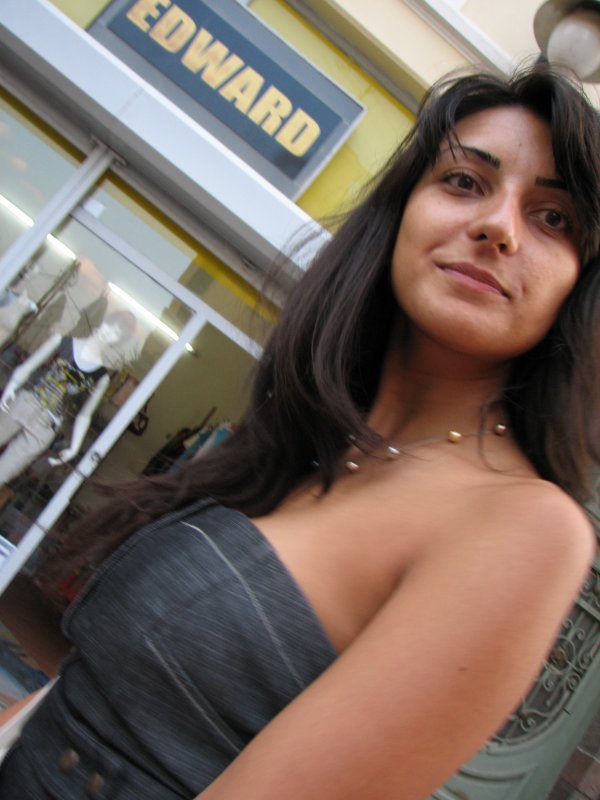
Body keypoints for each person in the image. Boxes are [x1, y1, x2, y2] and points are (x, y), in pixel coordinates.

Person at [0, 64, 599, 800]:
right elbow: (82, 690)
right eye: (464, 181)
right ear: (401, 212)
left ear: (581, 284)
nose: (498, 226)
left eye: (554, 218)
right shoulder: (309, 441)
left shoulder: (524, 528)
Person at [0, 309, 137, 485]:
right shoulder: (62, 341)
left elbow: (85, 414)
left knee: (3, 473)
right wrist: (12, 385)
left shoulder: (101, 377)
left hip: (46, 425)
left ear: (117, 341)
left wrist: (75, 446)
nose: (108, 333)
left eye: (116, 333)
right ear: (102, 322)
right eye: (109, 325)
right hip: (27, 402)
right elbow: (28, 367)